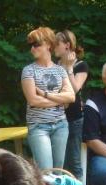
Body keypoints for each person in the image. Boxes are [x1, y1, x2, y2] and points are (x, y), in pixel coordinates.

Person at [21, 27, 75, 170]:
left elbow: (71, 96)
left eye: (36, 44)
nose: (32, 48)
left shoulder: (60, 70)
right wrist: (60, 99)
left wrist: (45, 94)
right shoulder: (28, 70)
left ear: (48, 45)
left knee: (58, 173)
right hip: (38, 127)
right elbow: (33, 100)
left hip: (61, 125)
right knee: (46, 173)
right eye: (30, 45)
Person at [54, 30, 89, 182]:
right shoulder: (53, 65)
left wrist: (68, 68)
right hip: (56, 117)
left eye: (56, 44)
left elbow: (75, 90)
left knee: (74, 161)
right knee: (59, 162)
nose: (52, 47)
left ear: (67, 45)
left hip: (74, 119)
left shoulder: (81, 65)